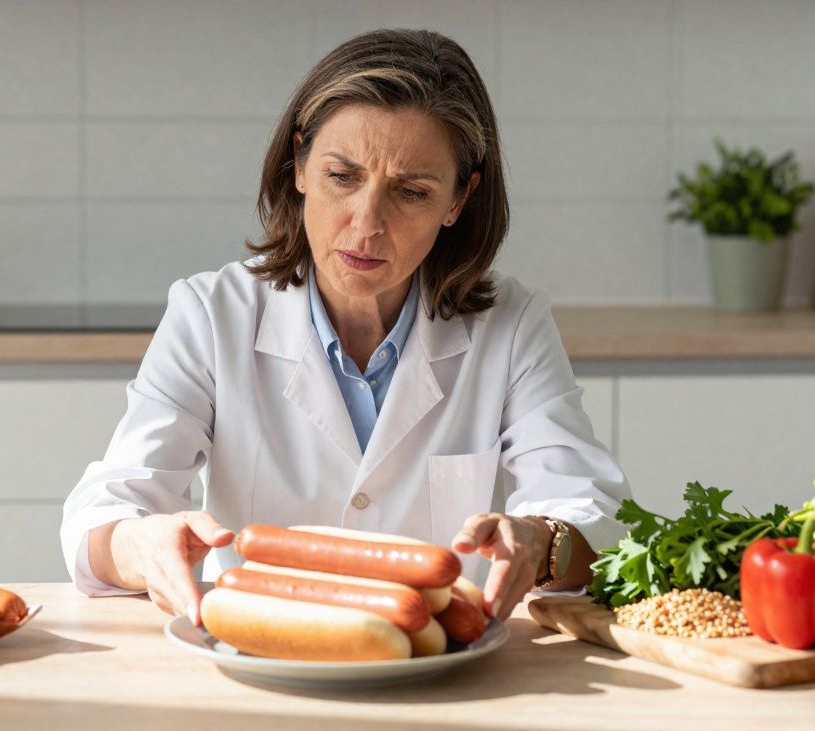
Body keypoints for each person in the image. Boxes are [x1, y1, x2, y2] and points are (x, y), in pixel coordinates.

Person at [61, 29, 630, 627]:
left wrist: (542, 543)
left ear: (459, 199)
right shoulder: (211, 313)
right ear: (300, 164)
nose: (367, 223)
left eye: (412, 192)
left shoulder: (510, 324)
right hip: (257, 654)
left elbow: (590, 511)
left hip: (439, 665)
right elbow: (107, 511)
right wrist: (140, 544)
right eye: (342, 176)